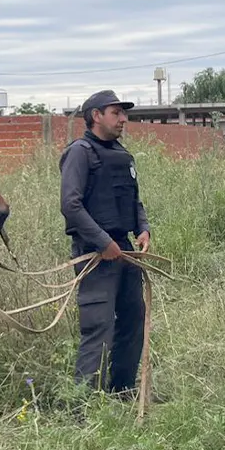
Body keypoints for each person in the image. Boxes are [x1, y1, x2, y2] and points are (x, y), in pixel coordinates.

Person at [59, 90, 152, 400]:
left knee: (133, 321)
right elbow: (71, 206)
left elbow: (134, 199)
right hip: (94, 253)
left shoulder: (123, 155)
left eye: (123, 114)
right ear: (96, 116)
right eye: (116, 113)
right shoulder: (80, 152)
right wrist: (103, 242)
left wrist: (143, 229)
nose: (123, 119)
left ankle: (122, 392)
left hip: (124, 251)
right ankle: (82, 404)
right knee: (97, 328)